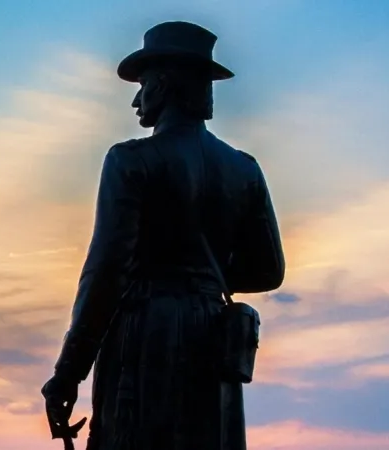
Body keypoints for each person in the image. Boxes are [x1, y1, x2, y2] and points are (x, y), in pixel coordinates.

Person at [41, 21, 286, 450]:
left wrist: (68, 372)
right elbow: (267, 270)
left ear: (167, 85)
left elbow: (105, 273)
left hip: (147, 340)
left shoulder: (131, 161)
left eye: (145, 84)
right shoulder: (244, 168)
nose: (137, 99)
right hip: (212, 340)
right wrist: (202, 281)